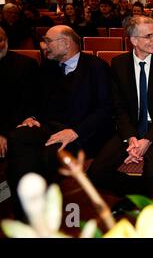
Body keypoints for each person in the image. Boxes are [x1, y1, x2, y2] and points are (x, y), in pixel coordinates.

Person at [6, 25, 114, 219]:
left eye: (48, 41)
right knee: (18, 138)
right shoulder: (48, 66)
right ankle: (25, 212)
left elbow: (105, 110)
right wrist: (32, 117)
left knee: (46, 155)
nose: (43, 46)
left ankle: (42, 213)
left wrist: (75, 131)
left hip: (84, 133)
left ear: (65, 43)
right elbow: (36, 100)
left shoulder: (96, 67)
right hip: (49, 127)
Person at [88, 16, 153, 201]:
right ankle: (139, 193)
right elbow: (119, 107)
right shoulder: (118, 64)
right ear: (133, 40)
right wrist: (132, 139)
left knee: (152, 172)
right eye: (149, 36)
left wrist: (147, 141)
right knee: (95, 173)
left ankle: (141, 193)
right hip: (129, 129)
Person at [0, 27, 39, 159]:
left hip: (13, 123)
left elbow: (25, 104)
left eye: (0, 40)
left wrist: (3, 133)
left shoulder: (25, 65)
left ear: (6, 41)